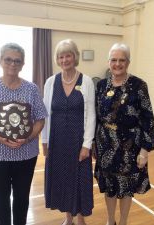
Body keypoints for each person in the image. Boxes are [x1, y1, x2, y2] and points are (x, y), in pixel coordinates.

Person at [0, 43, 47, 225]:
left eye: (17, 61)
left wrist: (27, 137)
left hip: (25, 155)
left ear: (23, 64)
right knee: (0, 200)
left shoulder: (32, 89)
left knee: (22, 199)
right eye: (8, 59)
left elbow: (40, 119)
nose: (13, 64)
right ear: (1, 61)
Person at [94, 43, 154, 225]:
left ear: (128, 62)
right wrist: (93, 144)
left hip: (130, 146)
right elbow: (96, 117)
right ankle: (110, 220)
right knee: (109, 186)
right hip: (105, 145)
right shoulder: (100, 86)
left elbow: (147, 118)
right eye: (114, 60)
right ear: (108, 62)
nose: (117, 64)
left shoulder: (138, 85)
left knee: (126, 186)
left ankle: (122, 222)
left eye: (122, 60)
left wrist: (144, 150)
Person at [42, 39, 96, 225]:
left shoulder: (86, 81)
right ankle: (68, 217)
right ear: (57, 59)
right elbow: (45, 114)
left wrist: (86, 145)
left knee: (79, 180)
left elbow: (91, 116)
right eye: (61, 56)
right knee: (61, 179)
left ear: (75, 57)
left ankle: (80, 218)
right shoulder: (50, 82)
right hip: (56, 141)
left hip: (77, 141)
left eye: (68, 55)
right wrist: (44, 142)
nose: (65, 60)